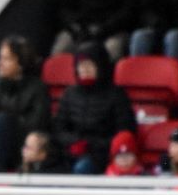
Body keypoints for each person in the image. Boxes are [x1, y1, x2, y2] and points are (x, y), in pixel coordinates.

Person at [52, 41, 137, 174]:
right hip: (69, 151)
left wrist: (90, 145)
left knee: (82, 167)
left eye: (89, 65)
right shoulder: (69, 93)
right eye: (80, 65)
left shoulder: (116, 94)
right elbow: (59, 129)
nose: (84, 69)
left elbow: (124, 132)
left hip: (101, 155)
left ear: (100, 66)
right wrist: (74, 142)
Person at [0, 35, 51, 172]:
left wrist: (9, 122)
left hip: (21, 147)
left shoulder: (37, 89)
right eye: (0, 58)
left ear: (21, 63)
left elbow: (37, 124)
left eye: (7, 59)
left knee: (4, 120)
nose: (0, 63)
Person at [50, 0, 139, 62]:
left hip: (114, 29)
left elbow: (128, 10)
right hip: (80, 28)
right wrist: (78, 28)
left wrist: (104, 29)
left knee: (113, 48)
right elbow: (65, 7)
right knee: (61, 50)